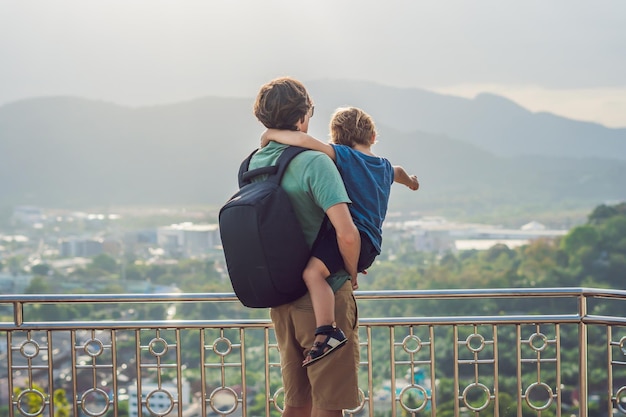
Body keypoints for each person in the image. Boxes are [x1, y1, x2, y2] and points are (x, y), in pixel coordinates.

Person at [261, 106, 419, 366]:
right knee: (319, 270)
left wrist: (270, 135)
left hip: (350, 239)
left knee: (312, 274)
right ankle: (328, 327)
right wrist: (412, 182)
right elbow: (400, 172)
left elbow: (301, 140)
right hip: (369, 245)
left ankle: (327, 331)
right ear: (372, 137)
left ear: (336, 139)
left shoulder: (344, 156)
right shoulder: (384, 167)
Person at [251, 77, 361, 415]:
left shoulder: (256, 162)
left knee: (297, 403)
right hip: (321, 302)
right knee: (329, 405)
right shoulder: (315, 162)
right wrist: (352, 274)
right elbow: (347, 233)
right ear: (302, 118)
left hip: (281, 299)